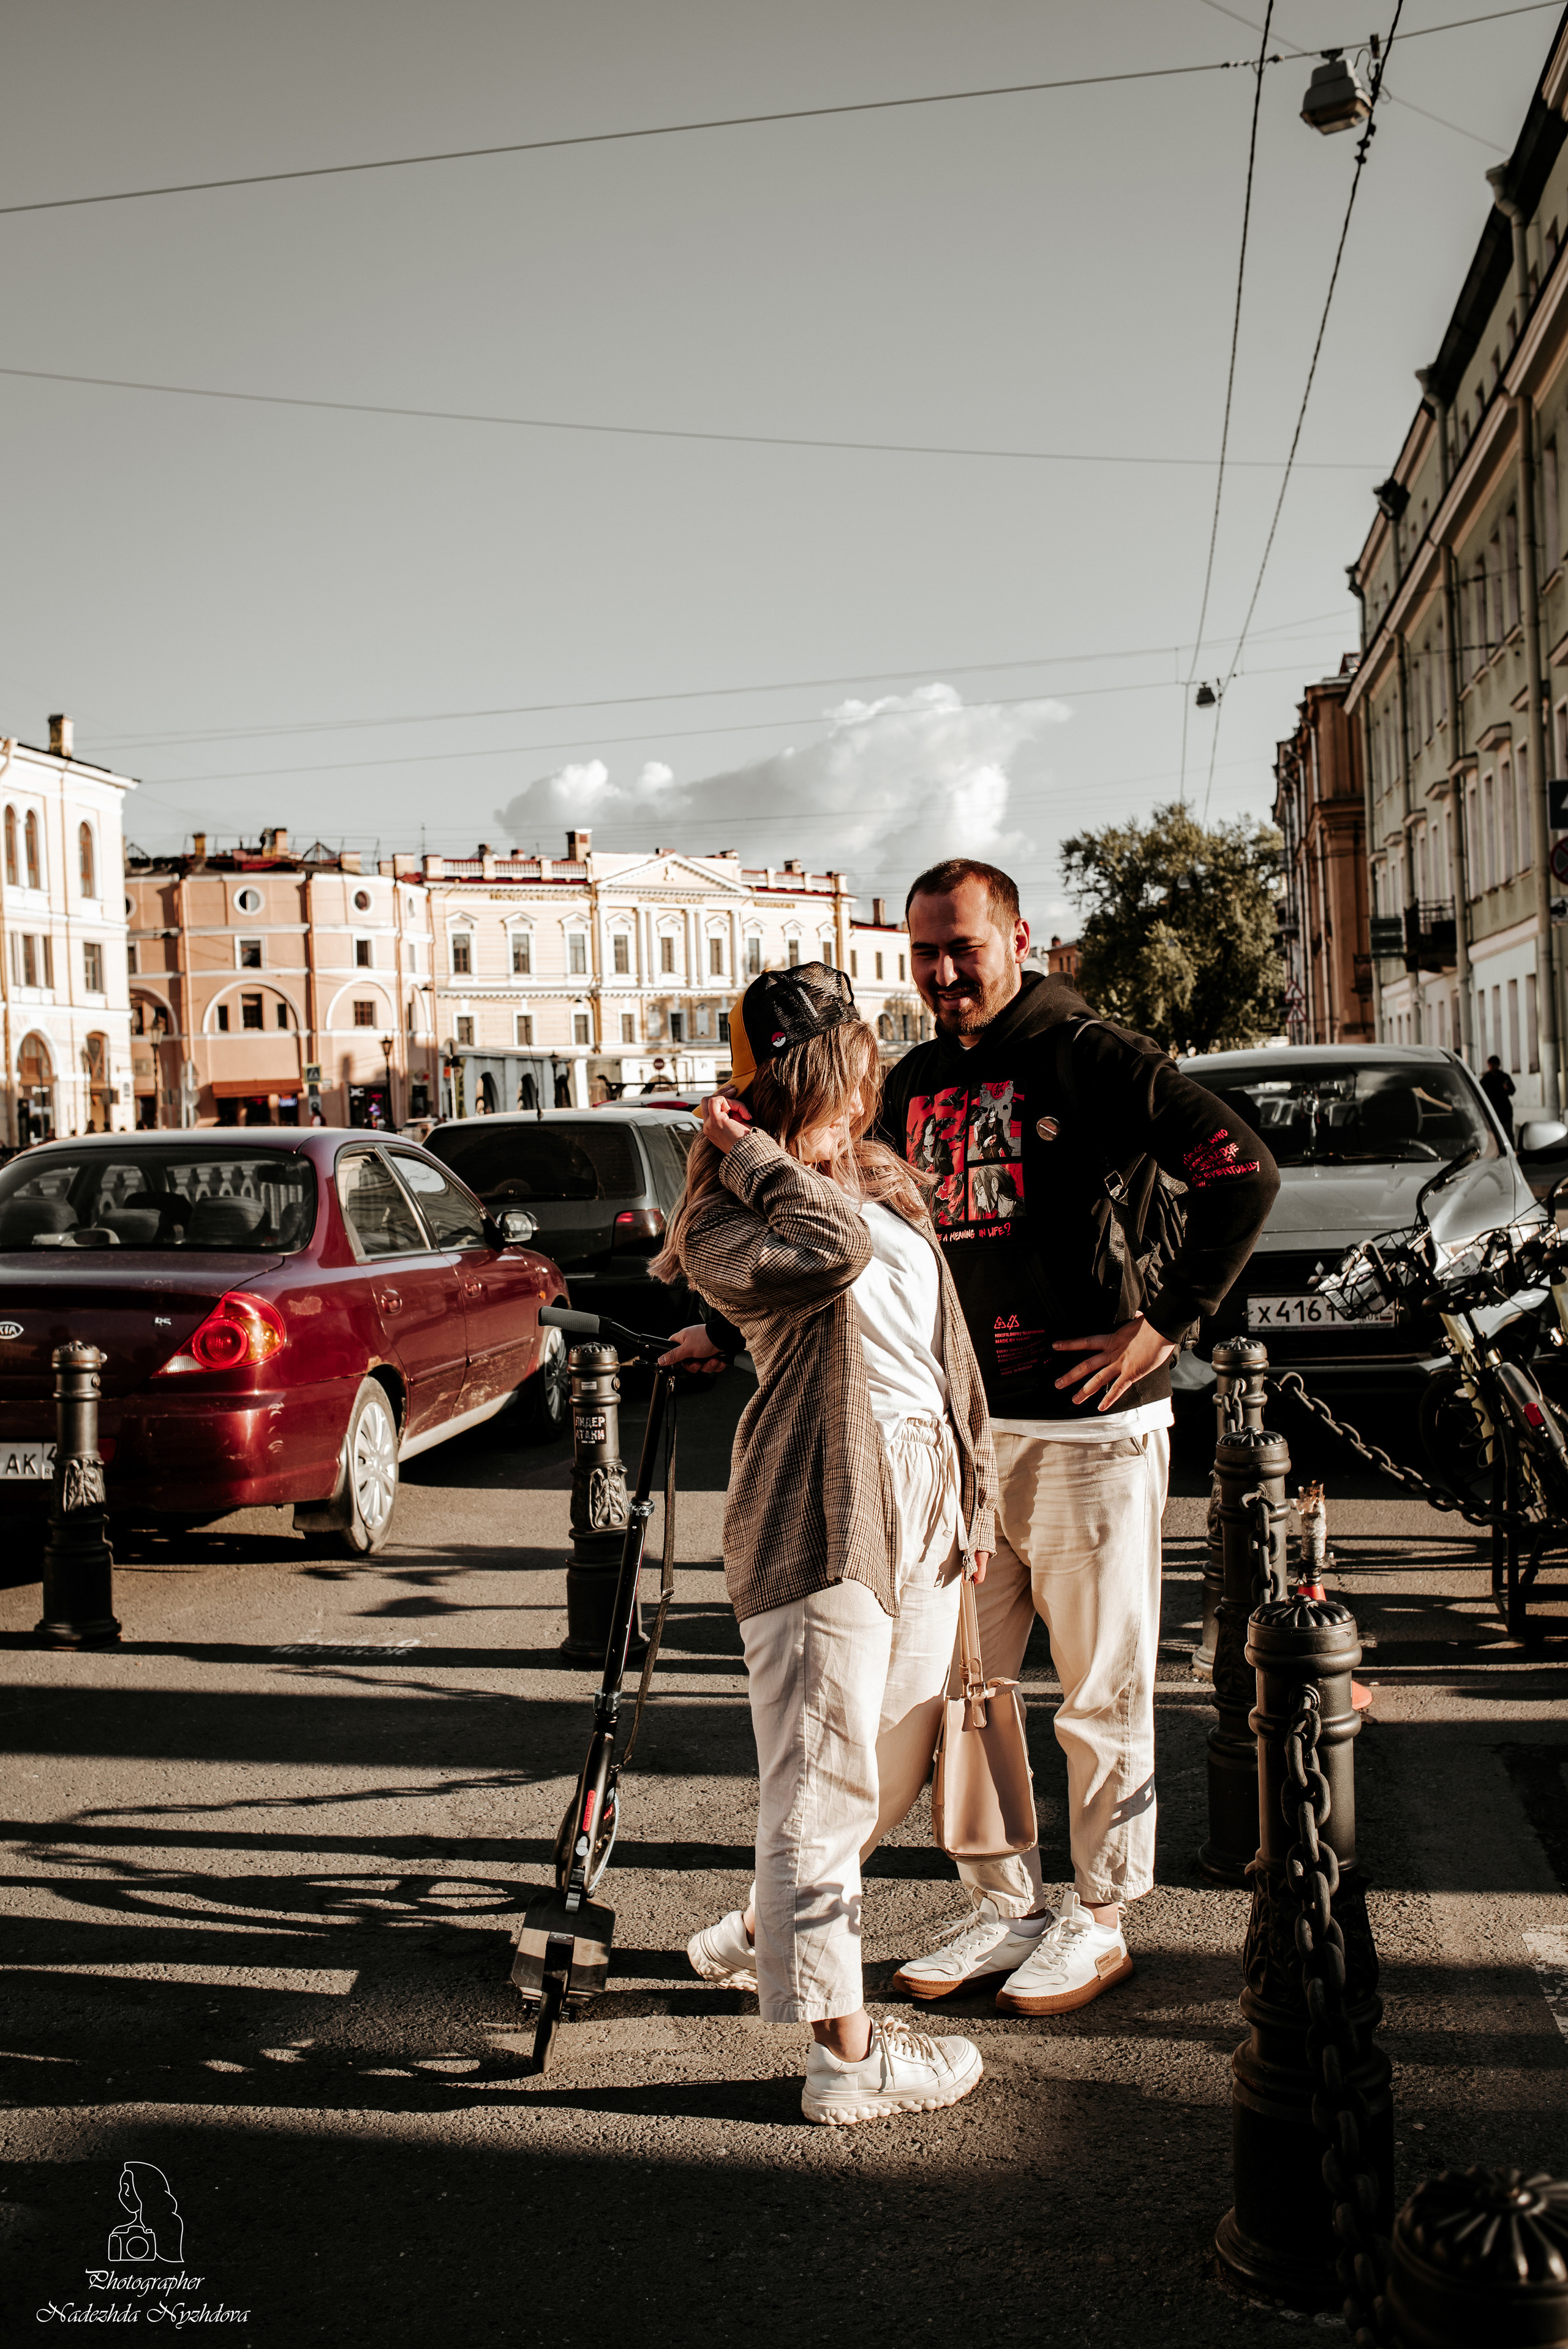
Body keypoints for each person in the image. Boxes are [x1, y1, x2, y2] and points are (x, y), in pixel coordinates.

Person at [861, 858, 1277, 2015]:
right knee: (972, 1689)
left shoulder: (1091, 1052)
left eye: (964, 946)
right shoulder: (914, 1079)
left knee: (1100, 1686)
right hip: (964, 1435)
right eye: (926, 951)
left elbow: (1244, 1171)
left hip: (1093, 1433)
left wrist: (1164, 1327)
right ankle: (1004, 1901)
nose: (945, 972)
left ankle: (1098, 1912)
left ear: (1017, 938)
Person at [657, 961, 1000, 2126]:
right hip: (823, 1504)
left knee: (883, 1769)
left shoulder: (879, 1174)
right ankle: (845, 2060)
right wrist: (751, 1147)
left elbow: (944, 1346)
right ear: (819, 1066)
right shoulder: (726, 1215)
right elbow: (833, 1255)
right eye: (857, 1054)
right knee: (819, 1779)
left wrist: (977, 1498)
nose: (875, 1071)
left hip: (923, 1501)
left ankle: (765, 1929)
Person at [1480, 1053, 1515, 1139]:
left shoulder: (1504, 1077)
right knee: (1493, 1134)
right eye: (1490, 1065)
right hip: (1492, 1110)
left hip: (1505, 1111)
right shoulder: (1486, 1079)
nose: (1492, 1067)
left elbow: (1513, 1090)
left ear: (1498, 1065)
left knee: (1508, 1133)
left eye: (1494, 1065)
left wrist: (1507, 1089)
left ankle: (1512, 1149)